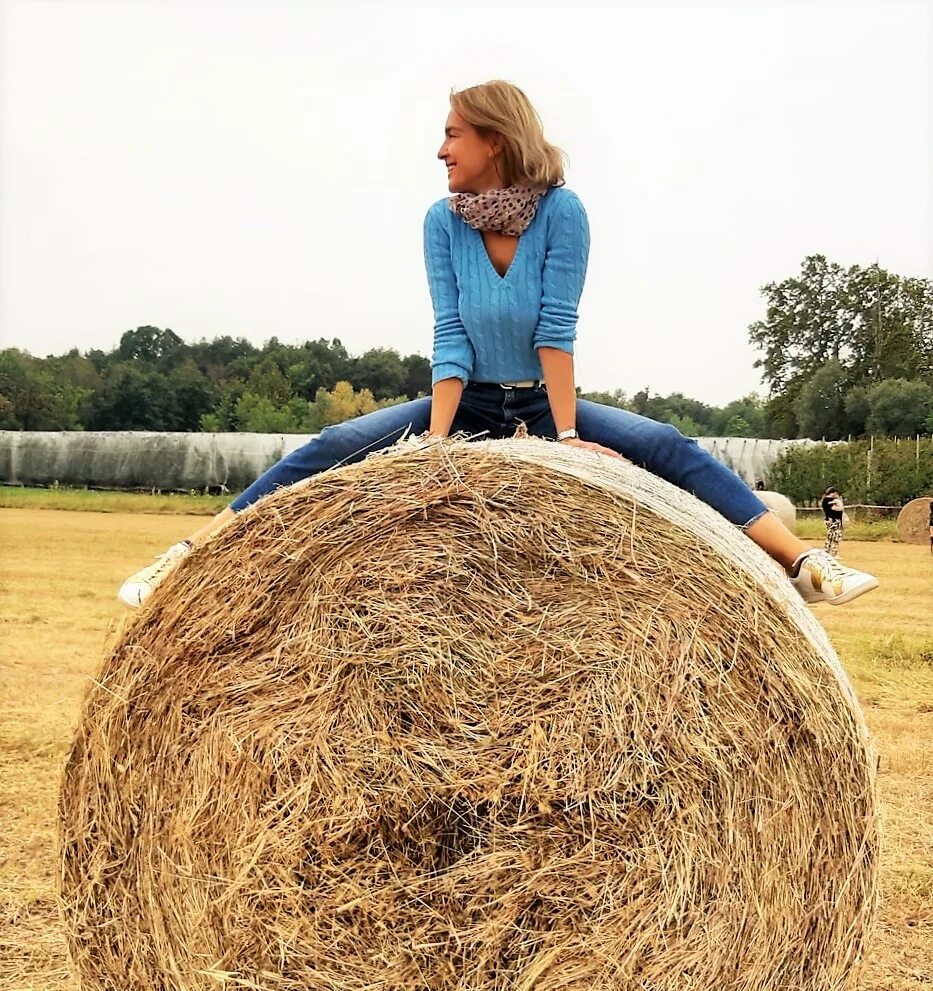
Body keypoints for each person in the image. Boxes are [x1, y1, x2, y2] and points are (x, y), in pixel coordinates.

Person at [119, 81, 878, 610]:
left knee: (665, 443)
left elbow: (556, 329)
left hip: (548, 404)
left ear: (494, 138)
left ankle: (805, 562)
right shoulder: (441, 222)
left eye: (452, 133)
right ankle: (189, 554)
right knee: (334, 442)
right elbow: (449, 334)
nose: (440, 149)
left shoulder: (562, 212)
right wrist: (438, 444)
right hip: (471, 398)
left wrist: (570, 435)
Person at [820, 487, 845, 556]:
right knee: (836, 537)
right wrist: (840, 508)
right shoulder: (831, 501)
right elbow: (835, 509)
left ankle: (826, 551)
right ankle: (833, 553)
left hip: (828, 520)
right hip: (834, 521)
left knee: (830, 536)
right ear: (833, 493)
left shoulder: (824, 500)